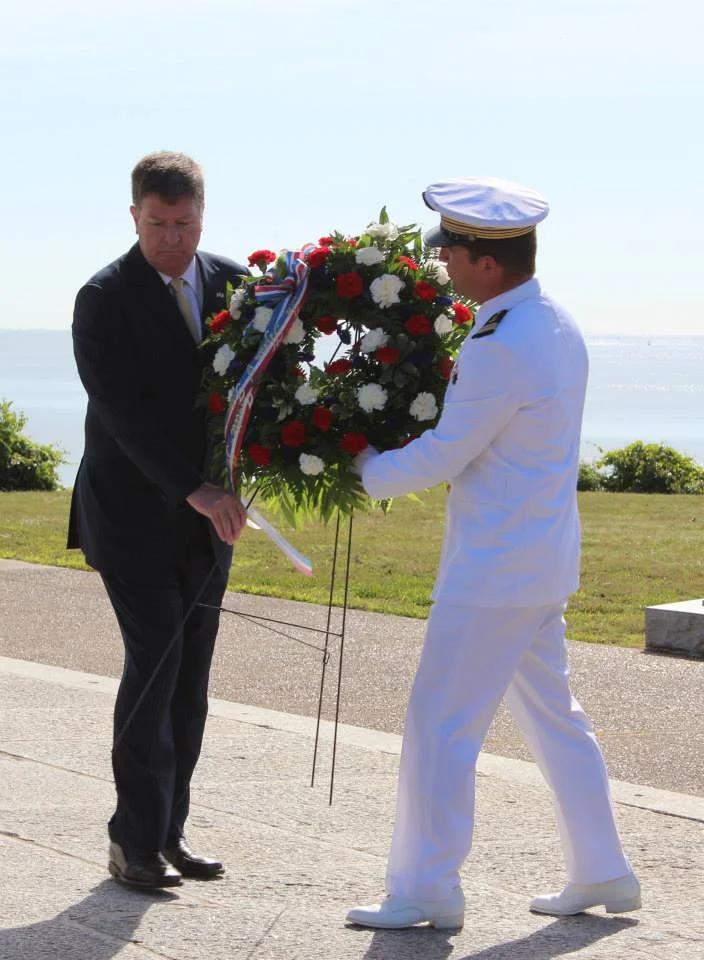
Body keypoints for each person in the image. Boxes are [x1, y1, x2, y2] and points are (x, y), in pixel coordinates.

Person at [347, 177, 641, 930]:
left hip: (493, 572)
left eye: (451, 246)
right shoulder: (553, 321)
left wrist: (357, 467)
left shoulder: (501, 343)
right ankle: (604, 869)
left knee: (440, 725)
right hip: (536, 562)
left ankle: (425, 888)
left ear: (486, 261)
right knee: (553, 717)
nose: (442, 258)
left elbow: (446, 453)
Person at [67, 151, 248, 889]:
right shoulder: (103, 297)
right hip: (133, 514)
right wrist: (194, 490)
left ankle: (170, 831)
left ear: (203, 214)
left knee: (192, 679)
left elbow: (254, 388)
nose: (173, 237)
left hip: (211, 521)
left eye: (186, 223)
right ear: (134, 215)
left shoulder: (237, 284)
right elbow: (124, 415)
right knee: (155, 668)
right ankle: (131, 841)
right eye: (158, 223)